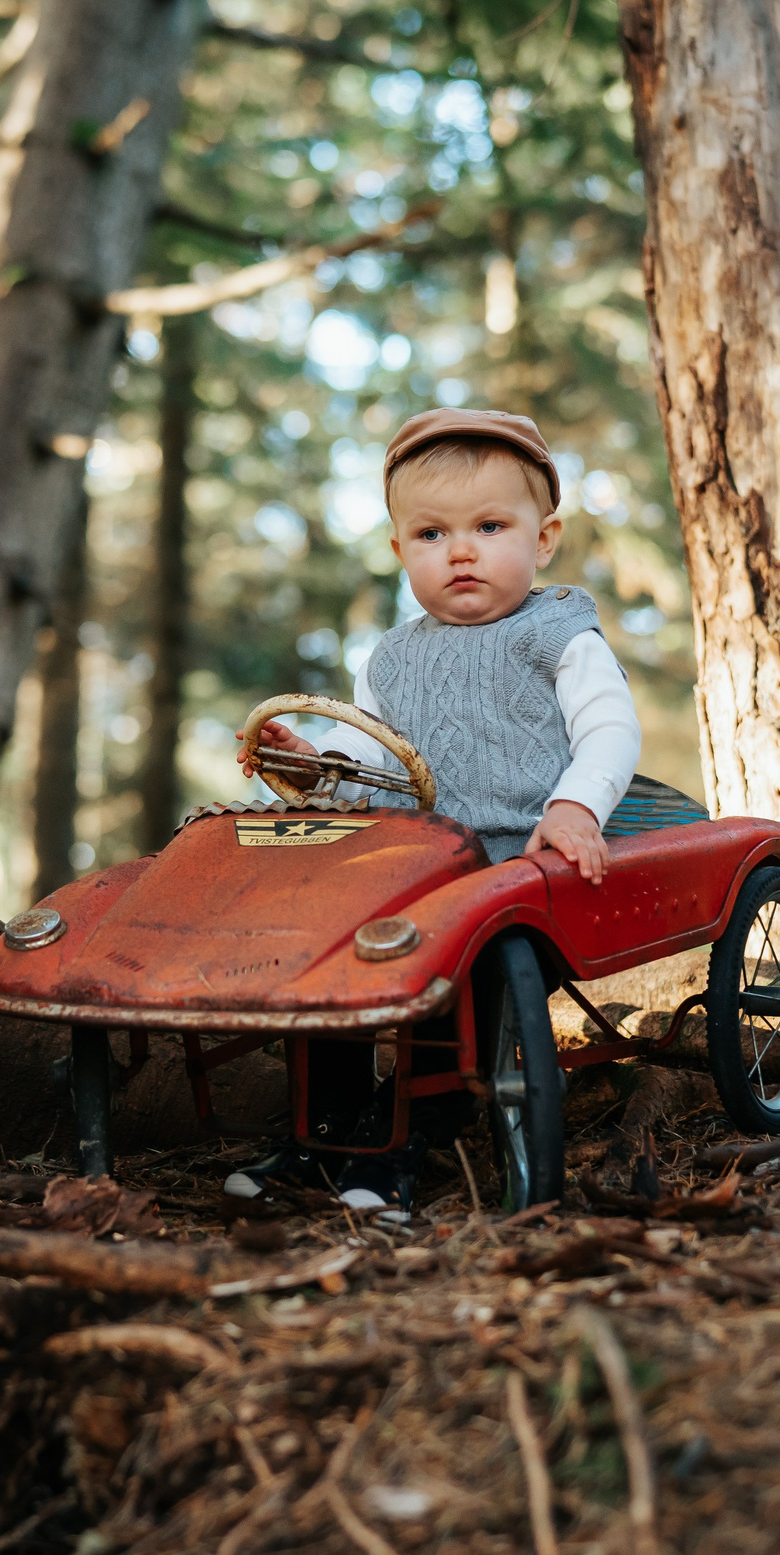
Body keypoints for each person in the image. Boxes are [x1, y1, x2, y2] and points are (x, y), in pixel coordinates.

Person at [228, 407, 643, 1221]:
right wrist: (311, 765)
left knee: (442, 976)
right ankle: (319, 1131)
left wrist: (573, 806)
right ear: (397, 550)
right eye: (430, 534)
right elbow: (377, 770)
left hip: (519, 862)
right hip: (416, 866)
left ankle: (401, 1141)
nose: (460, 550)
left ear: (544, 538)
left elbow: (609, 729)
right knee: (327, 956)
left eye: (490, 526)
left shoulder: (558, 632)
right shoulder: (392, 658)